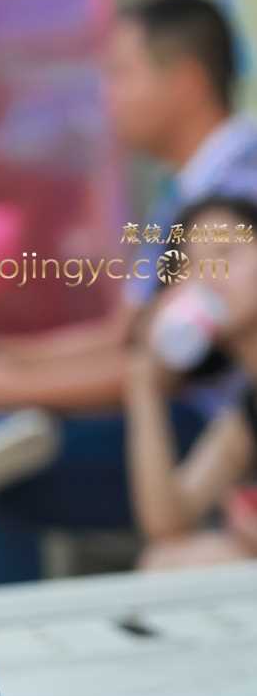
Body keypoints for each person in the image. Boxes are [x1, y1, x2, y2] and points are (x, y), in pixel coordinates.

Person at [0, 0, 257, 585]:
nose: (107, 95)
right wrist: (14, 360)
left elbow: (174, 354)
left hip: (195, 418)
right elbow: (134, 335)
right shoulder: (189, 189)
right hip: (178, 410)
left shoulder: (238, 189)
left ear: (187, 82)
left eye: (122, 73)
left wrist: (9, 386)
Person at [126, 195, 257, 570]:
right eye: (192, 267)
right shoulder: (246, 408)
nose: (210, 276)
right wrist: (144, 386)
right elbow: (167, 524)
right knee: (165, 562)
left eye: (225, 253)